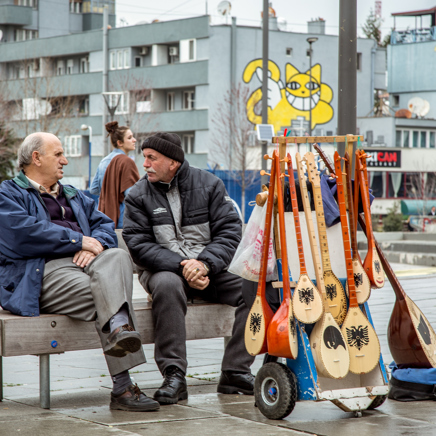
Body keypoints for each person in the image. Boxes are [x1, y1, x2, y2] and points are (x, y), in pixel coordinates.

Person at [0, 132, 159, 412]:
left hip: (89, 267)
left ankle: (120, 333)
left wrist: (92, 247)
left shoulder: (72, 194)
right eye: (58, 154)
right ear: (36, 158)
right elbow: (22, 234)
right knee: (111, 296)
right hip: (41, 273)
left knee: (117, 255)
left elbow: (105, 226)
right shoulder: (9, 193)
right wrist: (77, 240)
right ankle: (123, 386)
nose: (65, 160)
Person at [123, 132, 255, 405]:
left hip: (210, 268)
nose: (144, 164)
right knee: (169, 286)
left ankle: (235, 370)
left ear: (173, 162)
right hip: (164, 270)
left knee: (254, 286)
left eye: (152, 158)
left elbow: (230, 233)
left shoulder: (210, 184)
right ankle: (175, 376)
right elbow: (138, 245)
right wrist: (186, 267)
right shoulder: (137, 195)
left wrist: (204, 264)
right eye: (144, 157)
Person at [90, 121, 139, 228]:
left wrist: (109, 194)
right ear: (120, 143)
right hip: (121, 218)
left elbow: (93, 189)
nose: (134, 140)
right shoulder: (126, 162)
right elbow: (132, 195)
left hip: (104, 215)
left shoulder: (104, 161)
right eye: (130, 138)